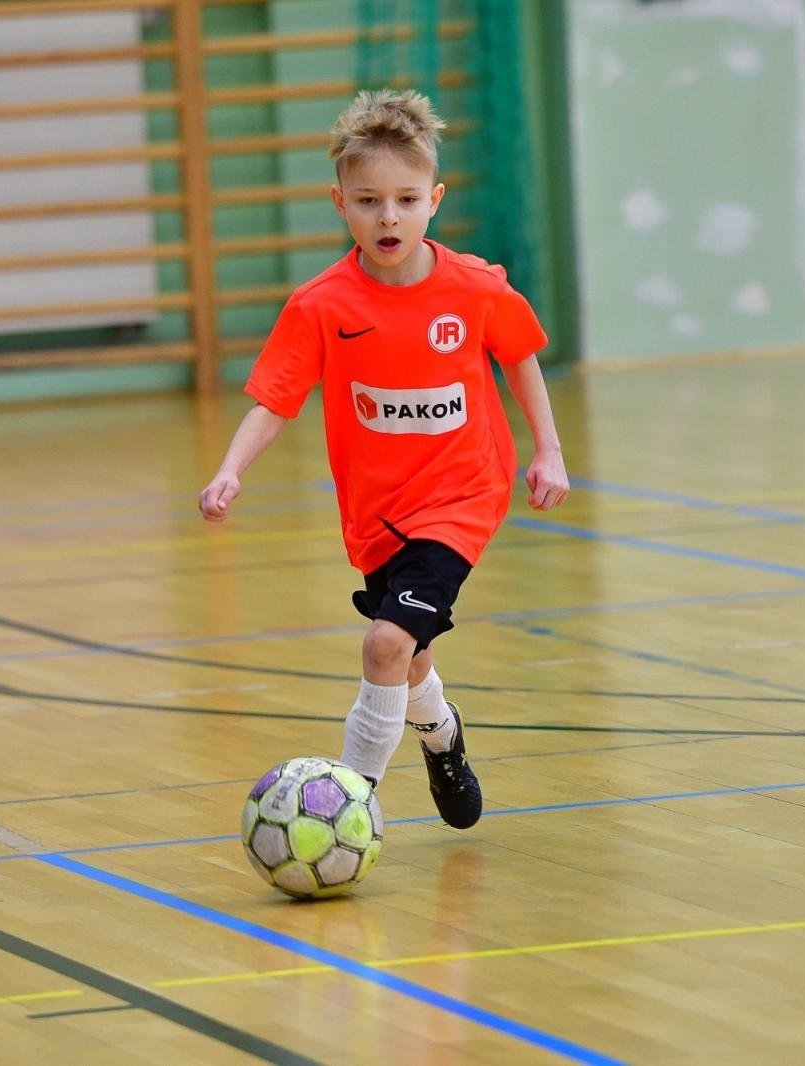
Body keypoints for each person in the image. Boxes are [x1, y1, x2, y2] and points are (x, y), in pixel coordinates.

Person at [198, 88, 569, 829]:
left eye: (406, 200)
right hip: (377, 513)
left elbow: (520, 356)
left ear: (435, 199)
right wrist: (231, 468)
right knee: (410, 656)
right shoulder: (321, 305)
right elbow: (275, 399)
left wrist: (548, 450)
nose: (388, 217)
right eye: (369, 202)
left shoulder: (474, 288)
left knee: (385, 642)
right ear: (341, 203)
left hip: (463, 497)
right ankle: (442, 735)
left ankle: (350, 802)